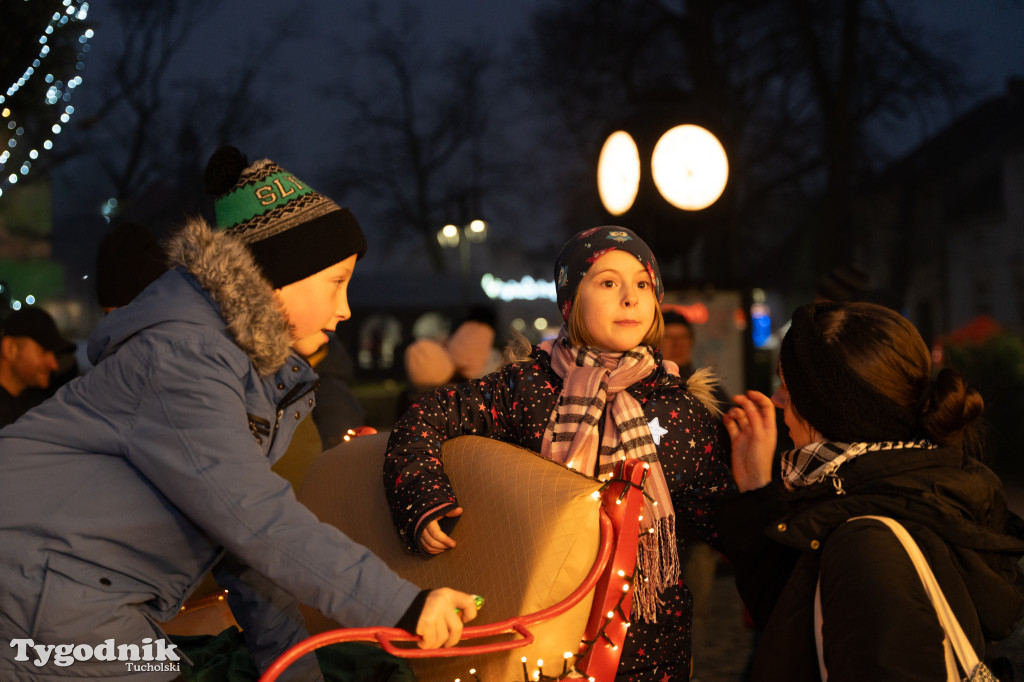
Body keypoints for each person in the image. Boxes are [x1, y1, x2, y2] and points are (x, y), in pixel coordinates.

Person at [0, 146, 478, 682]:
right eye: (337, 281)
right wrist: (402, 605)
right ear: (278, 277)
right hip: (34, 590)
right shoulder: (185, 360)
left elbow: (241, 546)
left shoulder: (240, 373)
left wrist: (296, 672)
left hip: (68, 589)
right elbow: (254, 518)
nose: (345, 308)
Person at [384, 225, 733, 681]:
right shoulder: (527, 386)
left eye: (642, 284)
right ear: (570, 302)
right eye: (608, 282)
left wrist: (762, 490)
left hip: (648, 648)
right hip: (538, 636)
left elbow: (723, 518)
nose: (630, 296)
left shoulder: (681, 409)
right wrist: (423, 500)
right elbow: (424, 417)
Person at [718, 301, 1024, 681]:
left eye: (788, 385)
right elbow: (801, 626)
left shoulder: (867, 540)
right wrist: (756, 492)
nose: (779, 400)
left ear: (831, 408)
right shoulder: (914, 483)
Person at [0, 307, 76, 429]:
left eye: (55, 354)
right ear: (10, 348)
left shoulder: (44, 406)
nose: (54, 365)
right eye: (44, 351)